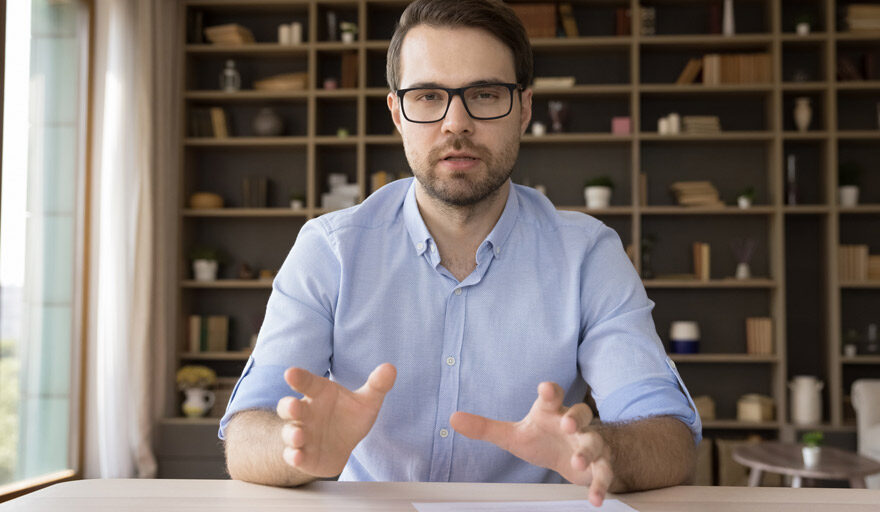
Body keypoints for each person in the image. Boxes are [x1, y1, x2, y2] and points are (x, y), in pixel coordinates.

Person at [220, 0, 701, 506]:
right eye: (428, 96)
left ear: (525, 109)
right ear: (397, 114)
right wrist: (297, 450)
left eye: (485, 94)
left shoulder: (588, 255)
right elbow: (245, 434)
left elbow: (671, 439)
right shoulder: (329, 250)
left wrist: (602, 449)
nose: (456, 123)